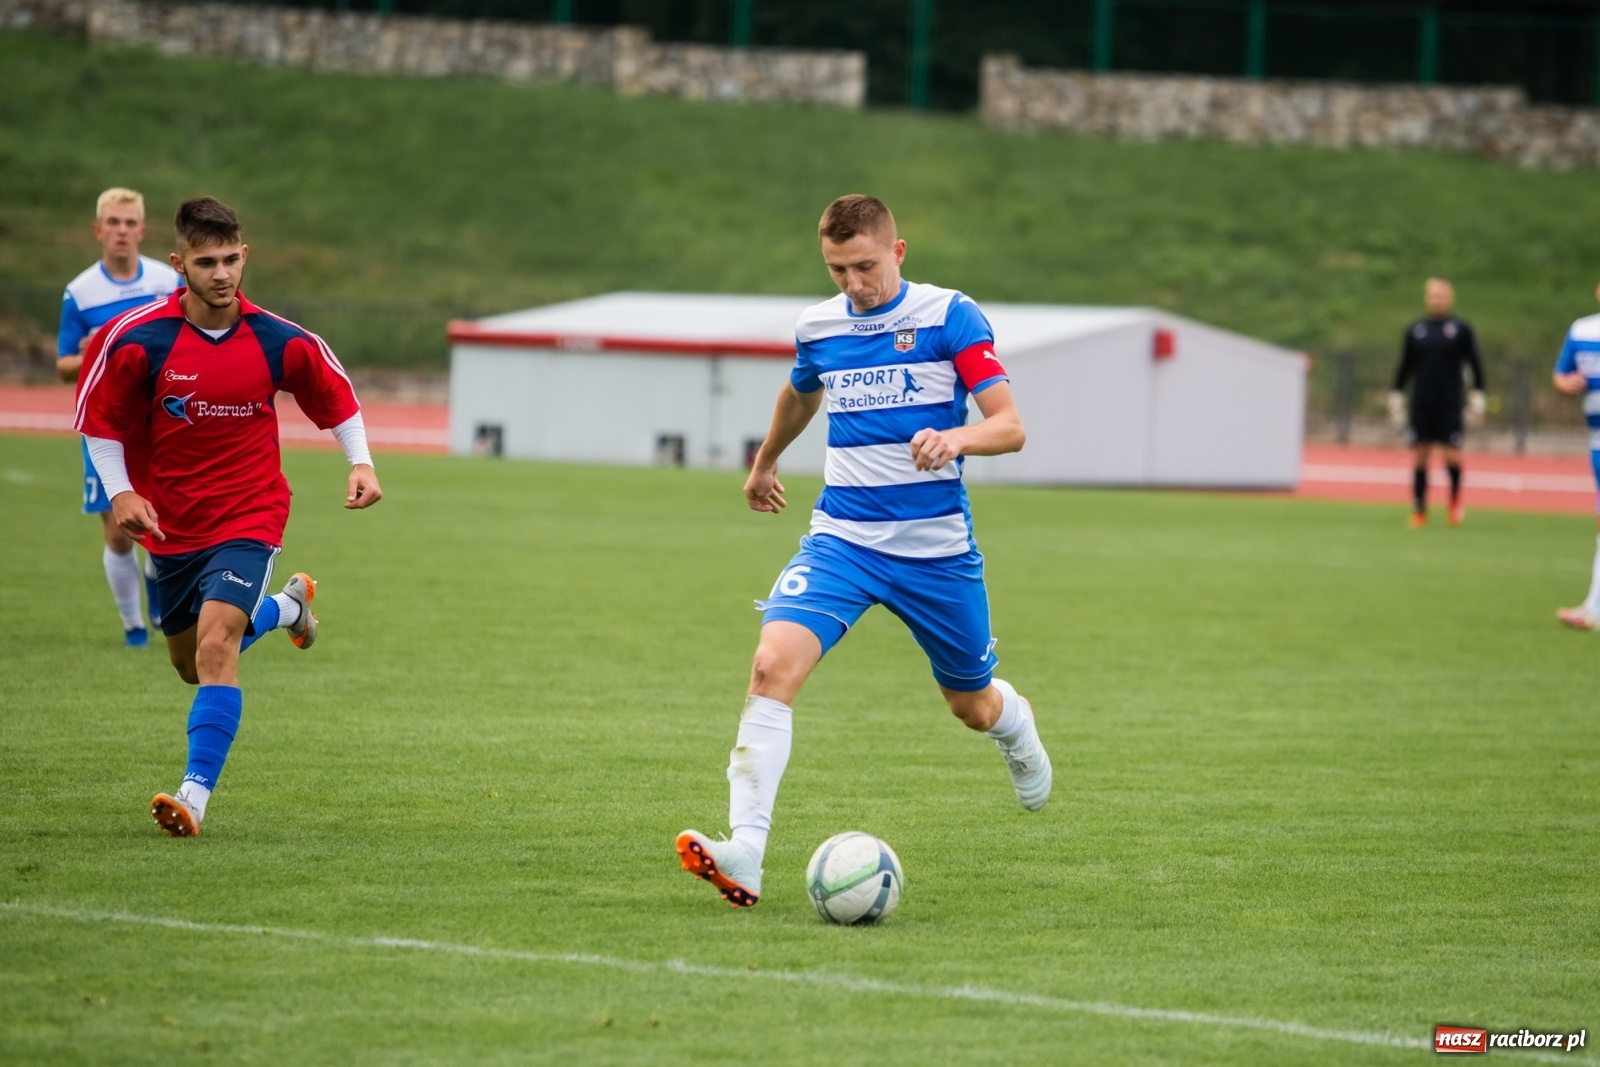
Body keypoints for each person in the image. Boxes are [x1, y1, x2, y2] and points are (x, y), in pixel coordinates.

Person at [675, 194, 1051, 909]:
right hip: (842, 539)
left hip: (935, 551)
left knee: (968, 703)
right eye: (837, 269)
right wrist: (764, 464)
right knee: (769, 666)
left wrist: (957, 439)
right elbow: (800, 391)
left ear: (898, 252)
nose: (853, 283)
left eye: (866, 266)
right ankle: (746, 852)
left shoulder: (950, 316)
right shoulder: (819, 326)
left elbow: (1010, 426)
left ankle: (1014, 721)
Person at [73, 196, 382, 836]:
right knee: (190, 666)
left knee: (217, 647)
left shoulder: (278, 338)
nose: (222, 274)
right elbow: (97, 422)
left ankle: (193, 796)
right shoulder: (137, 340)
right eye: (207, 262)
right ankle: (287, 609)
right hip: (174, 526)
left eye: (231, 260)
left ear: (245, 257)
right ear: (178, 263)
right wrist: (120, 492)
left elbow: (335, 394)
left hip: (252, 513)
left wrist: (361, 462)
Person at [58, 188, 181, 646]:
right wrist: (89, 356)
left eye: (130, 223)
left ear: (142, 230)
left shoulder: (168, 281)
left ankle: (155, 591)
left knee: (165, 523)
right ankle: (133, 628)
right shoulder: (80, 293)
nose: (122, 231)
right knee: (117, 530)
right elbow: (63, 363)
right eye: (113, 222)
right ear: (98, 230)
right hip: (107, 424)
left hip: (159, 423)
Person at [1387, 278, 1487, 527]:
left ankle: (1454, 502)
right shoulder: (1416, 330)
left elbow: (1474, 364)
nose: (1437, 300)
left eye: (1441, 295)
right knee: (1420, 454)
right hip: (1422, 401)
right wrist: (1396, 394)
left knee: (1452, 455)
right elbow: (1405, 366)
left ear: (1449, 298)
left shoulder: (1460, 329)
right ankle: (1419, 508)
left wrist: (1478, 396)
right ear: (1427, 298)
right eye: (1433, 295)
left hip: (1450, 401)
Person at [1553, 282, 1600, 630]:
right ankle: (1594, 607)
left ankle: (1594, 609)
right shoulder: (1582, 329)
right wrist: (1566, 382)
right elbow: (1561, 373)